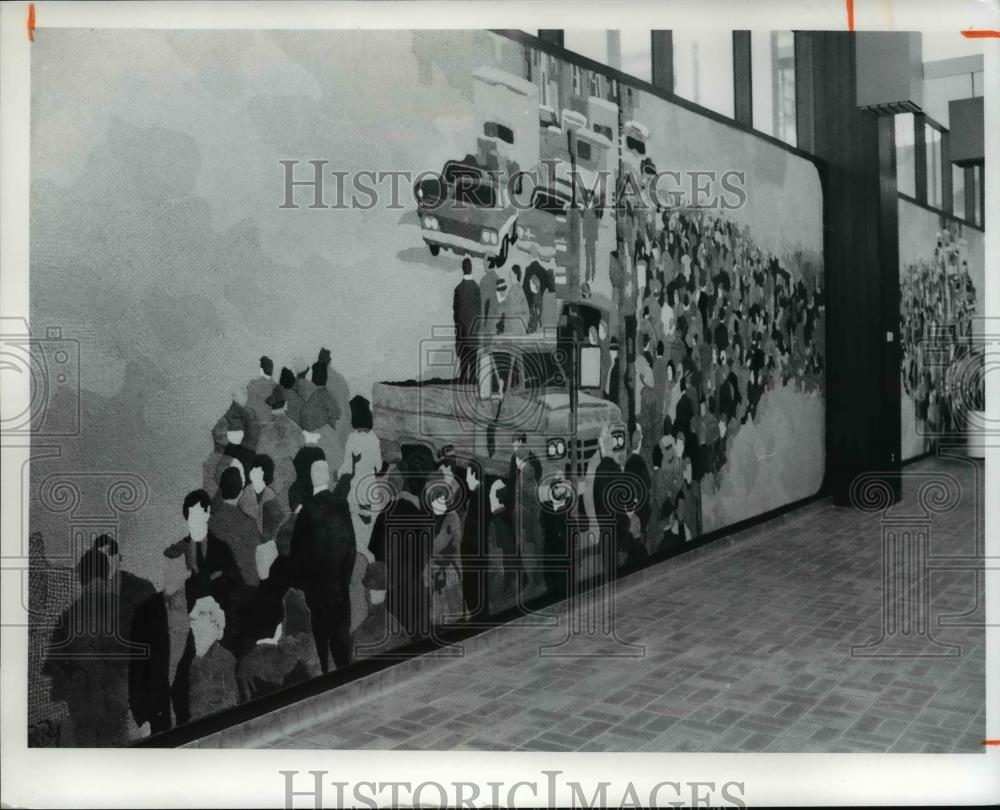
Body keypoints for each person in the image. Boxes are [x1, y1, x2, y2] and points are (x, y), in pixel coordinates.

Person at [43, 549, 131, 746]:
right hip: (116, 702)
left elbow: (53, 666)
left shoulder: (67, 616)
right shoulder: (124, 610)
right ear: (106, 574)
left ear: (81, 578)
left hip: (82, 705)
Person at [92, 535, 171, 738]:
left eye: (110, 555)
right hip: (111, 674)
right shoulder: (93, 594)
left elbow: (158, 644)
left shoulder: (141, 589)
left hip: (139, 671)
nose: (106, 561)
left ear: (119, 558)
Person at [289, 460, 356, 673]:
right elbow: (350, 549)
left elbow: (296, 557)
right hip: (339, 591)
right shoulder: (341, 505)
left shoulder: (306, 512)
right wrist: (344, 579)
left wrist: (307, 587)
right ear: (327, 477)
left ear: (311, 478)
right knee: (341, 644)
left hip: (317, 595)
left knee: (321, 645)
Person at [164, 489, 244, 625]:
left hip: (219, 617)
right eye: (190, 516)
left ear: (208, 512)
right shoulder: (179, 550)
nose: (194, 520)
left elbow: (234, 585)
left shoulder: (221, 548)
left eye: (198, 514)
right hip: (189, 617)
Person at [171, 596, 238, 724]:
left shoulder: (222, 659)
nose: (195, 627)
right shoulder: (191, 658)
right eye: (194, 625)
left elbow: (227, 705)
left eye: (200, 624)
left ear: (215, 625)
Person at [338, 395, 383, 560]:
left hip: (355, 491)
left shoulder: (352, 438)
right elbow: (378, 467)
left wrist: (337, 474)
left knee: (357, 534)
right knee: (370, 531)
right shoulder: (374, 439)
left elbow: (347, 468)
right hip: (370, 490)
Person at [209, 466, 262, 591]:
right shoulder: (249, 524)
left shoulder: (209, 521)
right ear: (241, 490)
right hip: (244, 587)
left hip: (216, 585)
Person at [255, 385, 303, 501]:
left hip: (272, 487)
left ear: (271, 407)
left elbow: (259, 460)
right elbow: (301, 459)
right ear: (286, 405)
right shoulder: (296, 429)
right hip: (293, 484)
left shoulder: (264, 432)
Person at [240, 454, 285, 543]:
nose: (252, 472)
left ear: (265, 474)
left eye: (257, 470)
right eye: (252, 469)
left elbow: (274, 526)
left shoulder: (271, 496)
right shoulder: (246, 491)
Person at [453, 257, 481, 384]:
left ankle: (464, 379)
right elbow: (480, 311)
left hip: (462, 331)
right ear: (471, 269)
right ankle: (474, 379)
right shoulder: (476, 288)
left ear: (462, 269)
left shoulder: (458, 289)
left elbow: (455, 312)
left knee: (463, 358)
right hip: (474, 330)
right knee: (474, 359)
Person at [246, 355, 276, 432]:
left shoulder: (251, 385)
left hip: (255, 426)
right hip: (271, 426)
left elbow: (248, 409)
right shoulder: (276, 387)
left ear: (261, 370)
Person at [583, 193, 599, 285]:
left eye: (591, 202)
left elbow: (595, 227)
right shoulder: (586, 212)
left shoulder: (593, 212)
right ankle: (588, 277)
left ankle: (593, 277)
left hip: (592, 239)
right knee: (588, 259)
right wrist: (584, 237)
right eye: (589, 202)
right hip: (588, 239)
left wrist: (596, 240)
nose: (590, 204)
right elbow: (584, 226)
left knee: (593, 259)